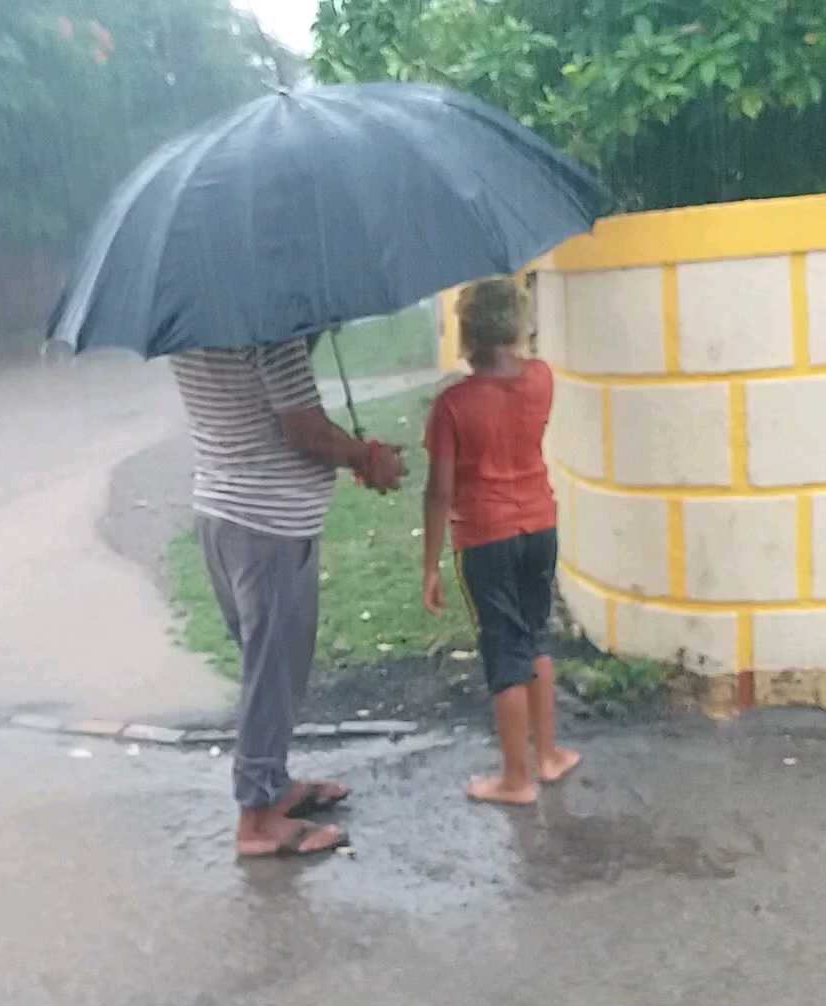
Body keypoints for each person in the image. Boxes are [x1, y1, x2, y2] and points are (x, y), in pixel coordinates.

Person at [173, 336, 406, 857]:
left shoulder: (197, 325)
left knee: (266, 666)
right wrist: (366, 455)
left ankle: (272, 788)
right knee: (273, 670)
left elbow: (258, 396)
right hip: (267, 524)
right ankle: (258, 819)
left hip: (224, 515)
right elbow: (302, 428)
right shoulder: (268, 327)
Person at [420, 278, 580, 805]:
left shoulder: (452, 405)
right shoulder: (541, 378)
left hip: (485, 536)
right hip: (540, 525)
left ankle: (515, 779)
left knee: (502, 648)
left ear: (467, 335)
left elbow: (440, 491)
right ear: (518, 327)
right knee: (535, 637)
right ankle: (549, 756)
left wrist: (430, 566)